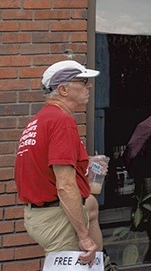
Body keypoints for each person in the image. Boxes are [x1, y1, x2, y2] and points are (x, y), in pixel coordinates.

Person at [14, 59, 116, 269]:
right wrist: (84, 236)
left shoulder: (40, 120)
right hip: (56, 218)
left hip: (38, 214)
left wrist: (85, 165)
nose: (89, 86)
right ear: (63, 89)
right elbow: (65, 185)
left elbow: (42, 169)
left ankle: (101, 263)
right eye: (83, 81)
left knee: (91, 204)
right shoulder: (62, 122)